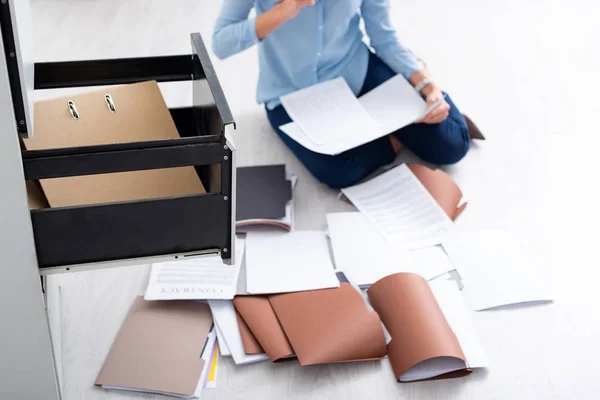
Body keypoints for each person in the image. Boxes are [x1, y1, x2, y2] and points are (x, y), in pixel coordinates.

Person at [213, 0, 471, 189]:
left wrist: (427, 87)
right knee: (339, 172)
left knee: (451, 145)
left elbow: (384, 39)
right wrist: (283, 11)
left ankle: (390, 120)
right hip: (288, 93)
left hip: (356, 72)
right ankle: (392, 135)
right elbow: (221, 43)